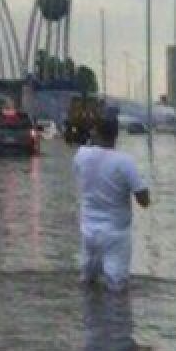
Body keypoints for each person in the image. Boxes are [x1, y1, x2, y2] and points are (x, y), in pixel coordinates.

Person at [73, 110, 150, 292]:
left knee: (87, 284)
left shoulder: (81, 156)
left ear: (95, 132)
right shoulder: (125, 162)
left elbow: (81, 176)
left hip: (89, 232)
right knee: (117, 290)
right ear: (116, 134)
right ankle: (114, 320)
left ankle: (89, 320)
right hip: (116, 235)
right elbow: (144, 201)